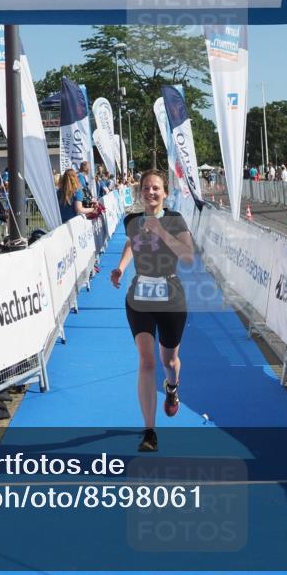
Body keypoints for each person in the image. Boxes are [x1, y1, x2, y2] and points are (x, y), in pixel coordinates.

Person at [110, 170, 195, 452]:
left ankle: (172, 389)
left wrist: (160, 232)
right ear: (140, 193)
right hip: (140, 298)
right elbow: (132, 244)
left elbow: (187, 255)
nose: (150, 192)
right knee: (147, 362)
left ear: (165, 193)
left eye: (156, 188)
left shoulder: (174, 220)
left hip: (171, 297)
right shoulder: (132, 221)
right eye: (146, 188)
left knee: (169, 362)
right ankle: (149, 431)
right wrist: (121, 267)